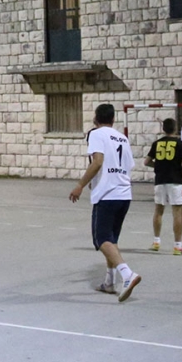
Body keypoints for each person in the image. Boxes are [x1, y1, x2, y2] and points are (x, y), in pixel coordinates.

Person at [68, 104, 141, 302]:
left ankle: (127, 275)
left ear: (95, 118)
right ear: (113, 119)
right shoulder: (122, 138)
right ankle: (109, 282)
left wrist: (81, 185)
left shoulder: (96, 134)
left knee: (101, 240)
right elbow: (128, 166)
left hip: (107, 195)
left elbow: (98, 161)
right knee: (112, 239)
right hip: (124, 194)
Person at [144, 119, 182, 255]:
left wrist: (159, 167)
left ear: (163, 129)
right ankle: (178, 246)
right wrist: (179, 169)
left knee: (158, 210)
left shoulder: (157, 143)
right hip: (175, 181)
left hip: (160, 180)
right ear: (175, 128)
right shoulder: (180, 144)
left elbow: (146, 161)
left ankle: (156, 242)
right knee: (177, 212)